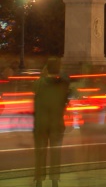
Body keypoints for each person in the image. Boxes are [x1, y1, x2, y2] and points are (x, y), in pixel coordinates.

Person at [33, 58, 71, 187]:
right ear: (58, 69)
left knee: (40, 152)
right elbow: (68, 98)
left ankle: (39, 180)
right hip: (56, 123)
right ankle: (55, 179)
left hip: (41, 123)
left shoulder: (38, 83)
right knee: (56, 152)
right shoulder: (63, 85)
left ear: (46, 69)